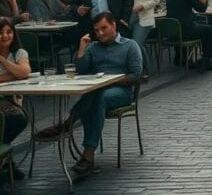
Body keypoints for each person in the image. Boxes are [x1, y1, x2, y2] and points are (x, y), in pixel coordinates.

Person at [36, 12, 143, 175]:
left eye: (104, 28)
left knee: (97, 97)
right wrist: (81, 50)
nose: (100, 33)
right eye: (97, 30)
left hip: (121, 93)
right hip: (96, 92)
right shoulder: (93, 47)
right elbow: (80, 71)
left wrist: (110, 81)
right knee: (96, 99)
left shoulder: (130, 45)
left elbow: (136, 76)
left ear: (113, 25)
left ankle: (69, 127)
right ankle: (87, 157)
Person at [0, 17, 30, 179]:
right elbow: (19, 74)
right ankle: (6, 160)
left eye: (9, 32)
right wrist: (14, 75)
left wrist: (2, 60)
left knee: (19, 118)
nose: (5, 36)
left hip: (11, 99)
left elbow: (24, 72)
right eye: (1, 32)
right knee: (12, 118)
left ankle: (5, 159)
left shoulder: (19, 52)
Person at [125, 0, 160, 79]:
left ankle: (140, 70)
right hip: (130, 18)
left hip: (144, 18)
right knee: (138, 44)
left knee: (136, 43)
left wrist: (142, 6)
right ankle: (147, 68)